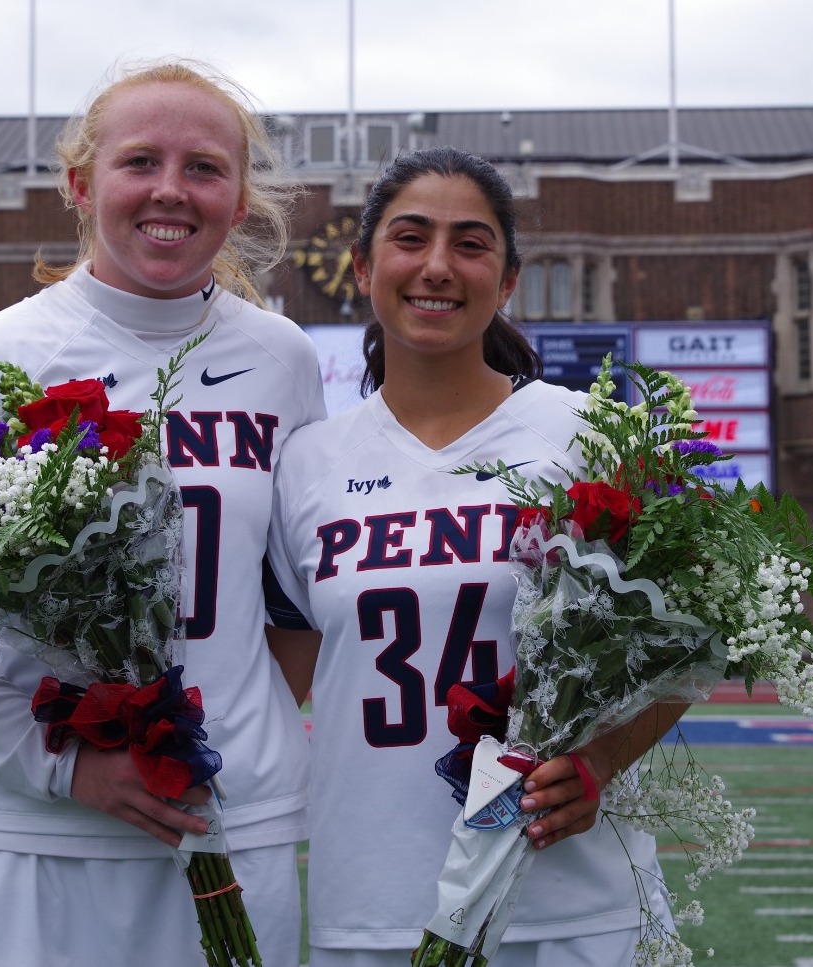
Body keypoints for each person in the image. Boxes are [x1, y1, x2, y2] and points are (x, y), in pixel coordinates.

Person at [0, 58, 323, 967]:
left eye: (204, 168)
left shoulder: (284, 359)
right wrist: (60, 761)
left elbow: (293, 601)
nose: (170, 191)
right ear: (80, 183)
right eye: (140, 161)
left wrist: (222, 734)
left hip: (230, 827)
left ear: (237, 198)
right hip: (28, 835)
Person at [265, 146, 684, 967]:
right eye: (410, 237)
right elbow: (279, 686)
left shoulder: (591, 434)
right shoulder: (306, 463)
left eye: (469, 243)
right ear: (361, 266)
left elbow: (684, 650)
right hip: (372, 900)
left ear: (508, 277)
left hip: (568, 901)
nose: (437, 267)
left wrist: (599, 759)